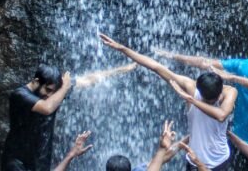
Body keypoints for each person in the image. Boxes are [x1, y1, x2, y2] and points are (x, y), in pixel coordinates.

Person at [100, 34, 238, 170]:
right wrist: (123, 48)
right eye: (205, 99)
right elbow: (156, 67)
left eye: (212, 99)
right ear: (199, 91)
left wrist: (191, 100)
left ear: (220, 91)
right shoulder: (191, 87)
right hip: (194, 159)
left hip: (219, 160)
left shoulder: (230, 92)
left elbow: (221, 115)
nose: (208, 101)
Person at [156, 36, 248, 170]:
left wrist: (232, 77)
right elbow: (205, 62)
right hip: (239, 138)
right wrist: (173, 56)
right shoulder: (241, 65)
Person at [1, 62, 137, 171]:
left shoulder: (54, 95)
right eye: (48, 90)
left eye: (54, 92)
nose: (50, 95)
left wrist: (122, 69)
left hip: (39, 159)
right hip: (16, 160)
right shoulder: (19, 95)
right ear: (36, 81)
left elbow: (89, 79)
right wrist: (65, 87)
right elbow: (47, 108)